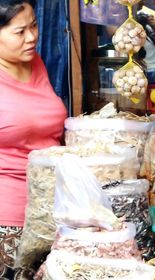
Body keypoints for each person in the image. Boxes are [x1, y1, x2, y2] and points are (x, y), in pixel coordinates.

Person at [0, 0, 67, 278]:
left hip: (52, 214)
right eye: (19, 32)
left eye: (35, 26)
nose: (31, 37)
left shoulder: (35, 62)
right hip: (8, 220)